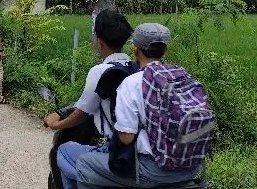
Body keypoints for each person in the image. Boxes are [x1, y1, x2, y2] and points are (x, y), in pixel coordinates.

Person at [74, 23, 212, 188]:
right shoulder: (184, 76)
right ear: (165, 49)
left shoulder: (132, 83)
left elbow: (127, 138)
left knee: (84, 164)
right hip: (191, 166)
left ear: (135, 48)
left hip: (153, 170)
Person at [44, 9, 135, 189]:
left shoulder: (100, 71)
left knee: (61, 152)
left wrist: (56, 124)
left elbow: (82, 113)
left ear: (99, 41)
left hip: (115, 150)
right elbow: (87, 102)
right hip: (136, 150)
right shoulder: (134, 68)